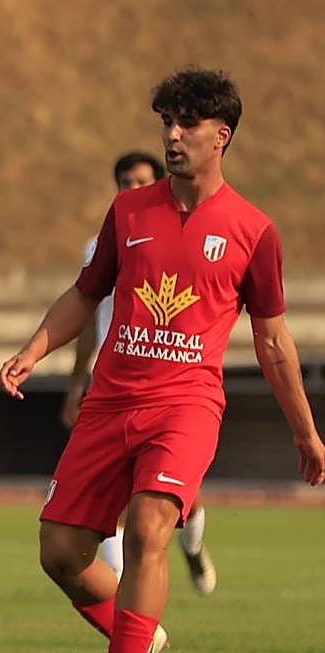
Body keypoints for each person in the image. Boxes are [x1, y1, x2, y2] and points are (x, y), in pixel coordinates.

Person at [0, 67, 325, 653]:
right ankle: (142, 633)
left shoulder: (254, 231)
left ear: (221, 136)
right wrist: (34, 350)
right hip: (110, 401)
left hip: (186, 406)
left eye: (187, 125)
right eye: (166, 123)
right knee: (59, 553)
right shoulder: (128, 211)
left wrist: (305, 430)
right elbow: (86, 294)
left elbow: (272, 341)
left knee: (151, 527)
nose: (172, 137)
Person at [62, 151, 217, 596]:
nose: (133, 190)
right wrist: (76, 383)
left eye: (142, 182)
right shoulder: (100, 246)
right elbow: (88, 316)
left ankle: (192, 548)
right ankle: (125, 599)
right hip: (112, 383)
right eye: (125, 182)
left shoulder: (190, 239)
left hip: (171, 385)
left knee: (180, 498)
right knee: (114, 497)